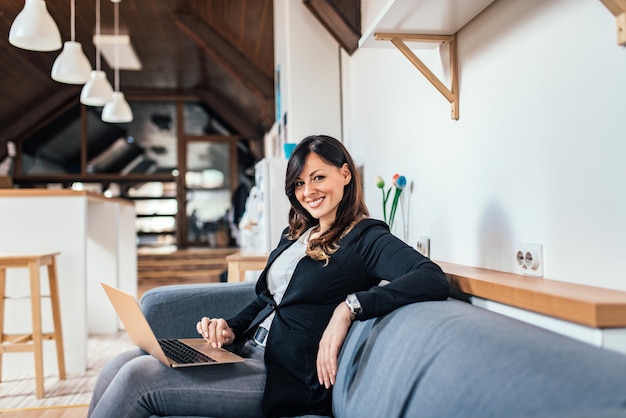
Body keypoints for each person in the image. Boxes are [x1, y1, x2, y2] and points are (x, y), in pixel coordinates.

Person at [88, 134, 449, 418]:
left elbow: (430, 276)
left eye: (319, 177)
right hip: (245, 351)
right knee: (121, 363)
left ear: (345, 174)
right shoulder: (297, 233)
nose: (308, 191)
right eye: (299, 184)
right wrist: (228, 327)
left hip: (284, 376)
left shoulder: (365, 237)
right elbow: (266, 299)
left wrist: (349, 308)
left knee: (138, 379)